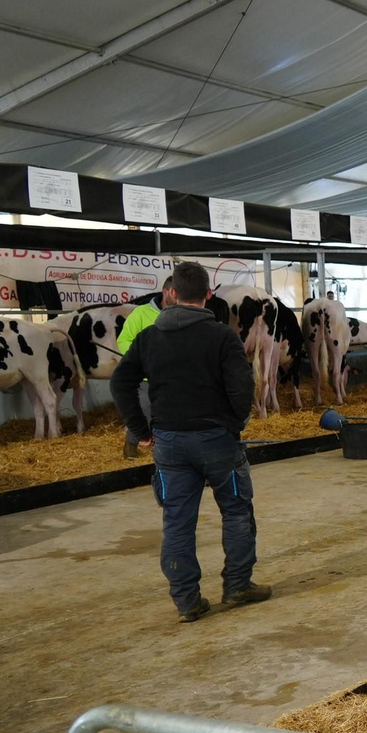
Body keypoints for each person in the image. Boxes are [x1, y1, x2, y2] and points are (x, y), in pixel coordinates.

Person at [110, 261, 268, 623]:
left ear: (171, 294)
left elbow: (121, 384)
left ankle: (187, 601)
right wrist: (234, 424)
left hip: (169, 445)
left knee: (178, 522)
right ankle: (238, 586)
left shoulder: (149, 338)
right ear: (208, 296)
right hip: (217, 442)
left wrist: (142, 430)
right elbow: (243, 387)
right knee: (237, 511)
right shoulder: (222, 337)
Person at [118, 276, 174, 458]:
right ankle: (131, 445)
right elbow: (124, 339)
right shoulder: (141, 313)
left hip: (173, 375)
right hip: (146, 376)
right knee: (145, 410)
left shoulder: (179, 314)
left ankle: (165, 449)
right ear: (166, 292)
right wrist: (142, 359)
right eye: (175, 293)